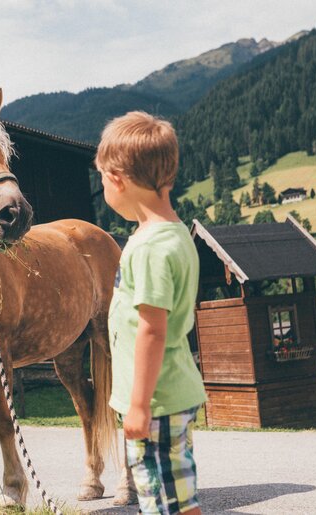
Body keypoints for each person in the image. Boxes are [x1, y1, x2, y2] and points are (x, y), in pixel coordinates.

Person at [96, 111, 207, 515]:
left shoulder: (147, 248)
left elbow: (152, 330)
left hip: (156, 401)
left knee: (165, 502)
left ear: (118, 179)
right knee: (175, 497)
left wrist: (139, 404)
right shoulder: (175, 234)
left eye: (102, 179)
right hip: (172, 391)